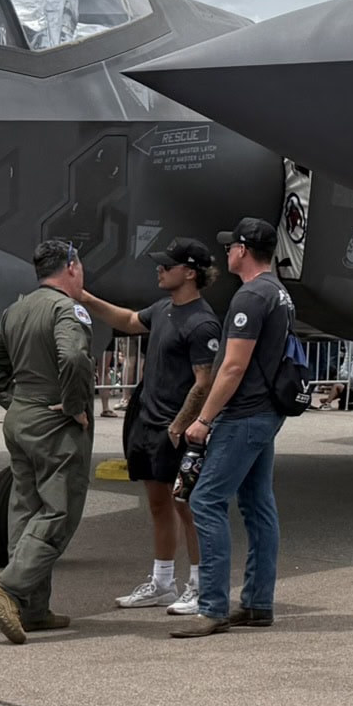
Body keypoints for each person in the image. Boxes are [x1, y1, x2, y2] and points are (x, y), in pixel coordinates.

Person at [77, 237, 222, 615]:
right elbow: (127, 320)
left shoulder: (203, 323)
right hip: (148, 421)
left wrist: (179, 425)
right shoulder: (163, 309)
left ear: (189, 273)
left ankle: (199, 586)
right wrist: (86, 298)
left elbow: (204, 381)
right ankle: (162, 583)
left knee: (187, 506)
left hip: (177, 428)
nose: (159, 269)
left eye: (167, 265)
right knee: (159, 504)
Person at [171, 217, 295, 639]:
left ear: (243, 250)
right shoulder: (278, 293)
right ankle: (258, 603)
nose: (226, 252)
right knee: (258, 505)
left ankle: (213, 607)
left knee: (205, 501)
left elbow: (234, 365)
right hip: (265, 411)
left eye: (230, 246)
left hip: (243, 414)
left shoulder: (251, 296)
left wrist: (203, 419)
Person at [0, 238, 96, 644]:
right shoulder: (66, 309)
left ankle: (33, 610)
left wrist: (11, 399)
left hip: (22, 418)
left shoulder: (19, 308)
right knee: (60, 512)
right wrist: (75, 404)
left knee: (26, 509)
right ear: (72, 266)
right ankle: (7, 588)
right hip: (54, 423)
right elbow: (75, 358)